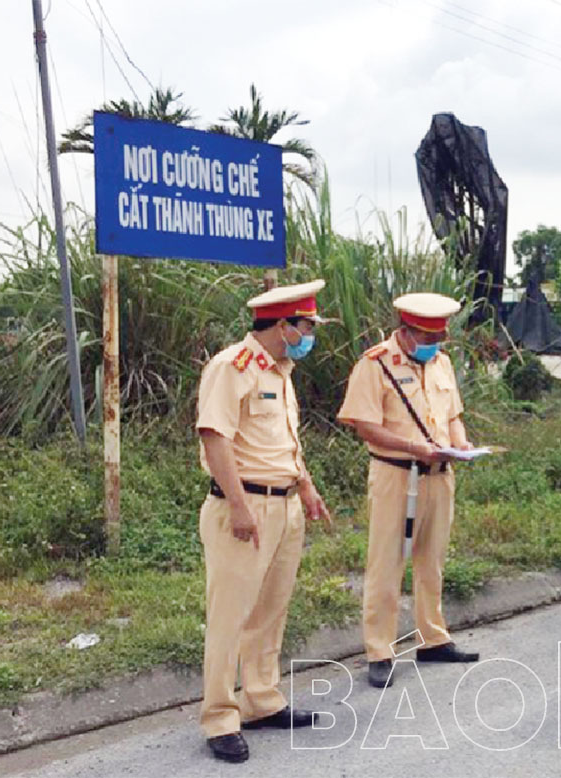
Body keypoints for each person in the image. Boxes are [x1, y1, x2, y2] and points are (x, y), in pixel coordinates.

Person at [195, 280, 333, 764]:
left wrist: (306, 484)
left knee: (269, 612)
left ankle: (260, 700)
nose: (312, 334)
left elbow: (281, 442)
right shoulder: (232, 367)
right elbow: (216, 439)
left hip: (285, 506)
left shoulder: (281, 370)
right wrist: (237, 505)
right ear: (283, 325)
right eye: (307, 326)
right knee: (229, 618)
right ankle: (220, 717)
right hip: (245, 508)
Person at [337, 292, 480, 689]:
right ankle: (379, 649)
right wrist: (413, 447)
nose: (434, 344)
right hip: (397, 473)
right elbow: (365, 425)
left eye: (439, 337)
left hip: (439, 473)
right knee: (386, 562)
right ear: (406, 331)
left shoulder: (441, 363)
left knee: (431, 559)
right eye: (427, 336)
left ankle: (432, 637)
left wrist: (460, 443)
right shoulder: (374, 364)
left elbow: (453, 415)